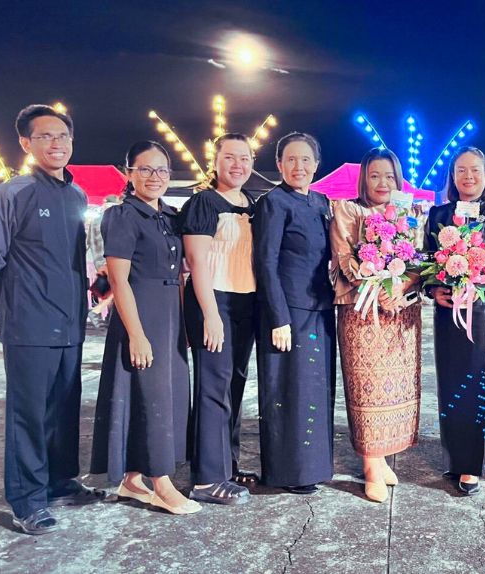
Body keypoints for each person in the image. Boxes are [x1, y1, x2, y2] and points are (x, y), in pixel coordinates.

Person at [0, 104, 105, 535]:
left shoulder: (76, 195)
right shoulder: (11, 194)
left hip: (70, 321)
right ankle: (27, 500)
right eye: (46, 136)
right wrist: (12, 311)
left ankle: (60, 481)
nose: (57, 144)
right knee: (28, 415)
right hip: (28, 325)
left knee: (64, 408)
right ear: (25, 143)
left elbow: (74, 259)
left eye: (63, 136)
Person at [90, 141, 199, 515]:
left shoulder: (170, 216)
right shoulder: (122, 216)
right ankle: (162, 483)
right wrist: (136, 334)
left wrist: (184, 323)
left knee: (167, 395)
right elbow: (118, 280)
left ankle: (132, 479)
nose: (155, 177)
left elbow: (180, 274)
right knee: (153, 398)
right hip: (140, 313)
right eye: (146, 169)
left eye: (162, 170)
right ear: (129, 173)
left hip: (170, 315)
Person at [330, 147, 422, 503]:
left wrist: (399, 288)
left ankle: (382, 457)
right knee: (367, 387)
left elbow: (419, 260)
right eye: (374, 175)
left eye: (389, 176)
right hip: (362, 309)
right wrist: (377, 289)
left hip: (400, 311)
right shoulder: (348, 209)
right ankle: (370, 464)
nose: (383, 183)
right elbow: (345, 257)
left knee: (395, 387)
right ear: (364, 179)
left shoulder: (408, 213)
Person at [425, 146, 485, 495]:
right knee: (451, 382)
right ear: (452, 176)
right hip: (448, 311)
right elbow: (426, 260)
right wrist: (434, 289)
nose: (468, 176)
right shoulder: (439, 213)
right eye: (461, 170)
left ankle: (478, 463)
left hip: (484, 311)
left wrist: (480, 283)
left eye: (475, 170)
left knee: (482, 382)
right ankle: (455, 458)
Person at [177, 133, 259, 505]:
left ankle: (228, 464)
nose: (237, 165)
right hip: (214, 302)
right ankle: (207, 479)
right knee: (213, 388)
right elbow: (196, 263)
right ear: (215, 161)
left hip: (246, 302)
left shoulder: (252, 204)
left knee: (234, 386)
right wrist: (210, 315)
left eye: (244, 158)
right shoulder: (203, 202)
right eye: (229, 157)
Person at [253, 133, 336, 495]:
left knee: (316, 391)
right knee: (291, 392)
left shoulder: (321, 201)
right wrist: (278, 318)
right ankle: (290, 471)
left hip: (321, 310)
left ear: (316, 164)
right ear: (279, 164)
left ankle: (315, 467)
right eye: (290, 159)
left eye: (305, 160)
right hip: (290, 313)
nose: (298, 167)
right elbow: (265, 262)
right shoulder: (273, 202)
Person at [86, 194, 121, 328]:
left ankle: (105, 315)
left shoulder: (95, 220)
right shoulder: (113, 220)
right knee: (118, 286)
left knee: (111, 288)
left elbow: (88, 241)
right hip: (108, 259)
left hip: (97, 260)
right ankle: (98, 311)